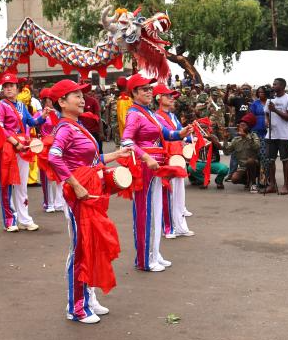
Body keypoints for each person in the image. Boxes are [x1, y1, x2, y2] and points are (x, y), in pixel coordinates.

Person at [46, 79, 131, 324]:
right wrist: (76, 184)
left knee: (90, 244)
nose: (82, 99)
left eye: (82, 95)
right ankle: (76, 307)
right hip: (78, 195)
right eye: (75, 96)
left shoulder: (78, 126)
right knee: (80, 248)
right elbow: (54, 158)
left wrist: (117, 155)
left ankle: (88, 297)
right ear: (62, 102)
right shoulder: (64, 127)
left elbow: (91, 160)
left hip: (91, 191)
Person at [120, 74, 191, 272]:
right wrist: (146, 157)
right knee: (146, 213)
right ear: (134, 92)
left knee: (156, 211)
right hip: (145, 168)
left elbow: (165, 134)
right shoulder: (134, 113)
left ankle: (154, 252)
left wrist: (180, 133)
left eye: (150, 89)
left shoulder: (148, 113)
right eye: (144, 89)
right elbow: (126, 141)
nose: (149, 92)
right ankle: (145, 259)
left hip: (156, 168)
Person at [0, 73, 44, 233]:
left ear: (17, 89)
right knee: (7, 184)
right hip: (8, 147)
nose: (8, 89)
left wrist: (44, 116)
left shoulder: (22, 105)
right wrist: (15, 142)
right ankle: (9, 220)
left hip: (23, 147)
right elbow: (0, 127)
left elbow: (32, 122)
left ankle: (24, 218)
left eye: (11, 86)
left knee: (21, 184)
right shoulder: (1, 105)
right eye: (5, 87)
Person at [154, 83, 193, 237]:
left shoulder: (173, 116)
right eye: (168, 95)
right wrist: (182, 135)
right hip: (167, 158)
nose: (172, 98)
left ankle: (180, 226)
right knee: (167, 193)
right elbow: (170, 134)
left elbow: (179, 134)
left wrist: (191, 138)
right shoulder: (156, 116)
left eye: (172, 96)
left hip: (178, 157)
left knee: (178, 194)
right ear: (159, 98)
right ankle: (168, 227)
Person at [265, 77, 288, 195]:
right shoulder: (270, 100)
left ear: (282, 86)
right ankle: (272, 184)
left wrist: (275, 110)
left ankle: (285, 185)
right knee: (270, 160)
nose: (273, 86)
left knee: (284, 160)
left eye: (275, 84)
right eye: (273, 84)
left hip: (283, 135)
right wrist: (266, 120)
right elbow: (266, 114)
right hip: (271, 134)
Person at [38, 87, 65, 213]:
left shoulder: (59, 114)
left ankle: (59, 202)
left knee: (60, 175)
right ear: (44, 101)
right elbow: (32, 126)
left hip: (57, 146)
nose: (50, 102)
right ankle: (48, 203)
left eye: (52, 100)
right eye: (48, 100)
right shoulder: (39, 114)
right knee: (46, 177)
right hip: (44, 147)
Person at [224, 113, 260, 191]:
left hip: (255, 166)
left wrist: (246, 136)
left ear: (248, 128)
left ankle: (253, 184)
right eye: (239, 126)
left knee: (250, 161)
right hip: (243, 167)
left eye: (243, 126)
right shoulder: (236, 140)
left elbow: (257, 147)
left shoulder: (253, 136)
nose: (240, 128)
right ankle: (248, 181)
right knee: (234, 179)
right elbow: (226, 152)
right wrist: (225, 139)